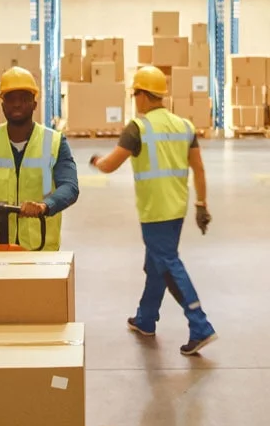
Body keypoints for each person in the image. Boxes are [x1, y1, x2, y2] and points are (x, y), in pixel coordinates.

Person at [89, 64, 216, 356]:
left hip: (154, 211)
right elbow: (199, 168)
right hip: (177, 209)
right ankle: (146, 319)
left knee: (169, 264)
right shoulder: (184, 126)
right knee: (156, 265)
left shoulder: (138, 127)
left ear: (144, 96)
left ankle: (200, 325)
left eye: (136, 94)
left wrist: (95, 160)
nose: (135, 100)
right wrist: (201, 204)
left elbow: (110, 165)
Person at [0, 66, 79, 250]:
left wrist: (44, 206)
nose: (17, 104)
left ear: (34, 104)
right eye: (10, 99)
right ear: (2, 105)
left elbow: (70, 187)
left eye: (24, 98)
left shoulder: (55, 142)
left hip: (41, 251)